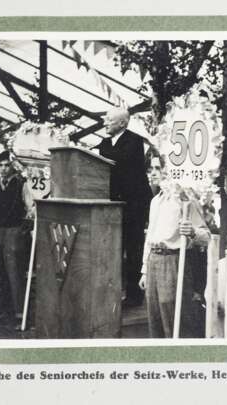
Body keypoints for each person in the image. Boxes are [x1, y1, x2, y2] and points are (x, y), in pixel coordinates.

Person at [138, 179, 210, 338]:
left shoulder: (186, 199)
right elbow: (150, 234)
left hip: (173, 262)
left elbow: (206, 237)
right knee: (154, 319)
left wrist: (192, 231)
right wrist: (144, 269)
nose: (153, 173)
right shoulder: (155, 201)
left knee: (175, 321)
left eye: (158, 168)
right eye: (152, 168)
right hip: (153, 261)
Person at [97, 107, 153, 307]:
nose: (104, 123)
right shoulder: (104, 142)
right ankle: (112, 290)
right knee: (113, 248)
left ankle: (134, 295)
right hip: (112, 204)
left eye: (109, 120)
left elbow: (119, 162)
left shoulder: (134, 141)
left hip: (133, 205)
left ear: (122, 123)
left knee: (133, 248)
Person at [0, 151, 34, 327]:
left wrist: (26, 225)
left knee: (14, 273)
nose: (3, 169)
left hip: (14, 231)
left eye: (6, 165)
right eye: (1, 165)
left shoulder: (21, 185)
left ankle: (20, 315)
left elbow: (31, 207)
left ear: (12, 166)